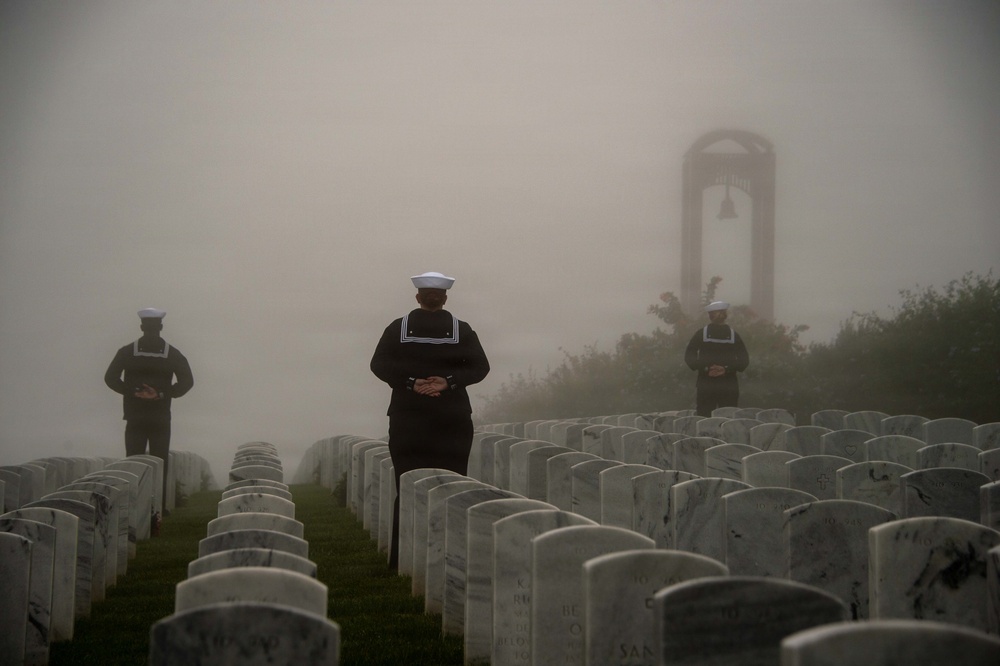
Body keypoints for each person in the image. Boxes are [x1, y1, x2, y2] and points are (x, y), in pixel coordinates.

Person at [370, 272, 490, 570]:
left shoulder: (397, 328)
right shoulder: (461, 330)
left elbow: (379, 364)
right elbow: (480, 367)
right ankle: (453, 561)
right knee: (452, 485)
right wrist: (447, 382)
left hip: (408, 417)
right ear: (445, 298)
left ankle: (402, 562)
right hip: (452, 418)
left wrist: (411, 382)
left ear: (417, 297)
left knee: (407, 486)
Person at [104, 307, 194, 522]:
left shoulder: (126, 351)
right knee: (159, 462)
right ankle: (158, 509)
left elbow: (110, 378)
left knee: (133, 461)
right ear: (160, 327)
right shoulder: (172, 353)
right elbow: (187, 382)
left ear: (142, 327)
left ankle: (134, 507)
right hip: (160, 417)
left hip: (134, 416)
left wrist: (133, 391)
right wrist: (161, 394)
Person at [684, 300, 749, 417]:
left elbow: (744, 361)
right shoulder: (733, 335)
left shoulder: (702, 334)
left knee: (709, 419)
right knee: (719, 418)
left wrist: (709, 369)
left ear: (710, 316)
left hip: (714, 384)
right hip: (722, 384)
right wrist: (720, 369)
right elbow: (744, 361)